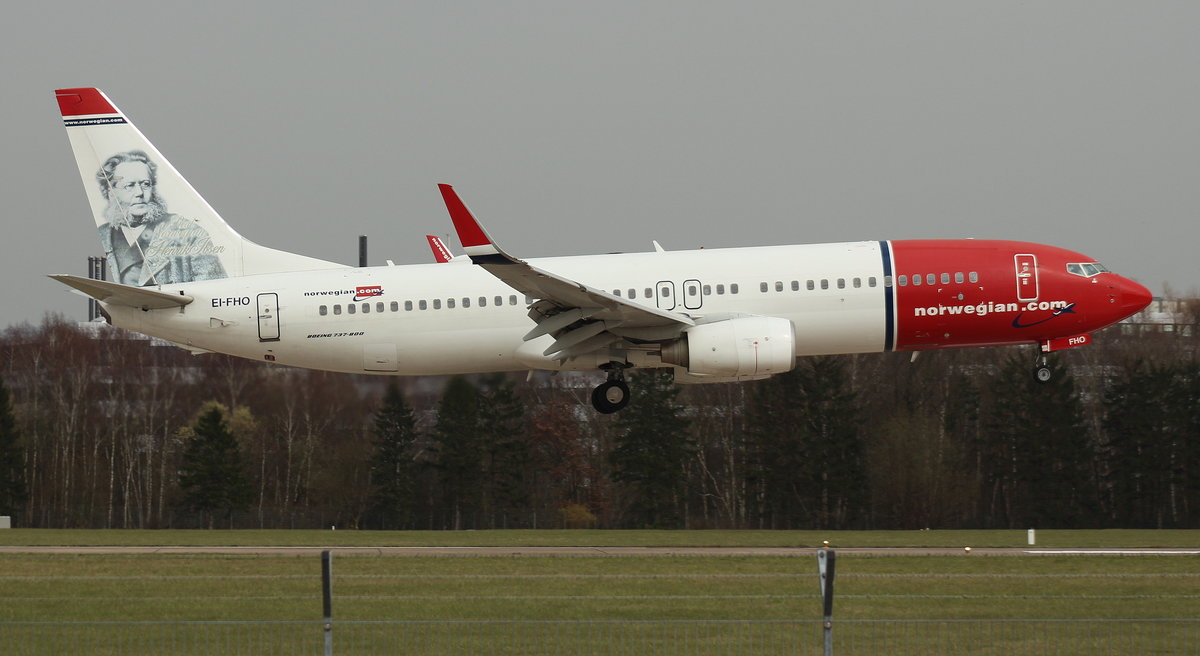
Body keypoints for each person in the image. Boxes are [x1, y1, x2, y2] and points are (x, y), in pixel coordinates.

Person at [96, 150, 226, 286]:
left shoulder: (189, 233)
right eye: (130, 186)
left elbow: (215, 289)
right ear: (111, 193)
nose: (139, 193)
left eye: (145, 184)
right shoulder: (103, 236)